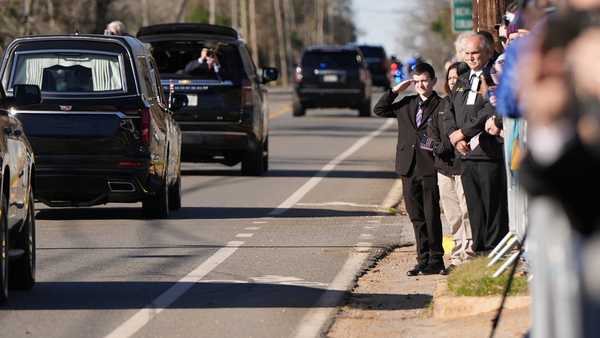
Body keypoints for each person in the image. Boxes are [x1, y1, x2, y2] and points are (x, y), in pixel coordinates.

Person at [374, 62, 447, 276]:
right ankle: (422, 258)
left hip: (430, 166)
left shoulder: (441, 105)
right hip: (408, 166)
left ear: (433, 81)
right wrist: (396, 90)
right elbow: (379, 109)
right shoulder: (406, 103)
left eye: (425, 80)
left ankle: (436, 259)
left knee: (431, 214)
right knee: (416, 216)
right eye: (416, 81)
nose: (421, 85)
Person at [444, 32, 509, 254]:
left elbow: (489, 109)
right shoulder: (462, 79)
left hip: (488, 151)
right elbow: (449, 109)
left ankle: (494, 249)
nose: (471, 58)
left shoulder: (493, 76)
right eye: (467, 53)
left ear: (488, 52)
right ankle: (479, 249)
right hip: (465, 154)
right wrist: (454, 134)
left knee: (492, 205)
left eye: (476, 53)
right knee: (474, 207)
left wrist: (464, 131)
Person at [428, 61, 474, 271]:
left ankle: (470, 253)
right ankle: (456, 256)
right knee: (452, 214)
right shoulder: (442, 104)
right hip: (444, 167)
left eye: (457, 77)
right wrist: (437, 147)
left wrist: (453, 144)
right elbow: (431, 134)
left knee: (467, 212)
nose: (453, 81)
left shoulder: (470, 102)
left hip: (463, 164)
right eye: (450, 78)